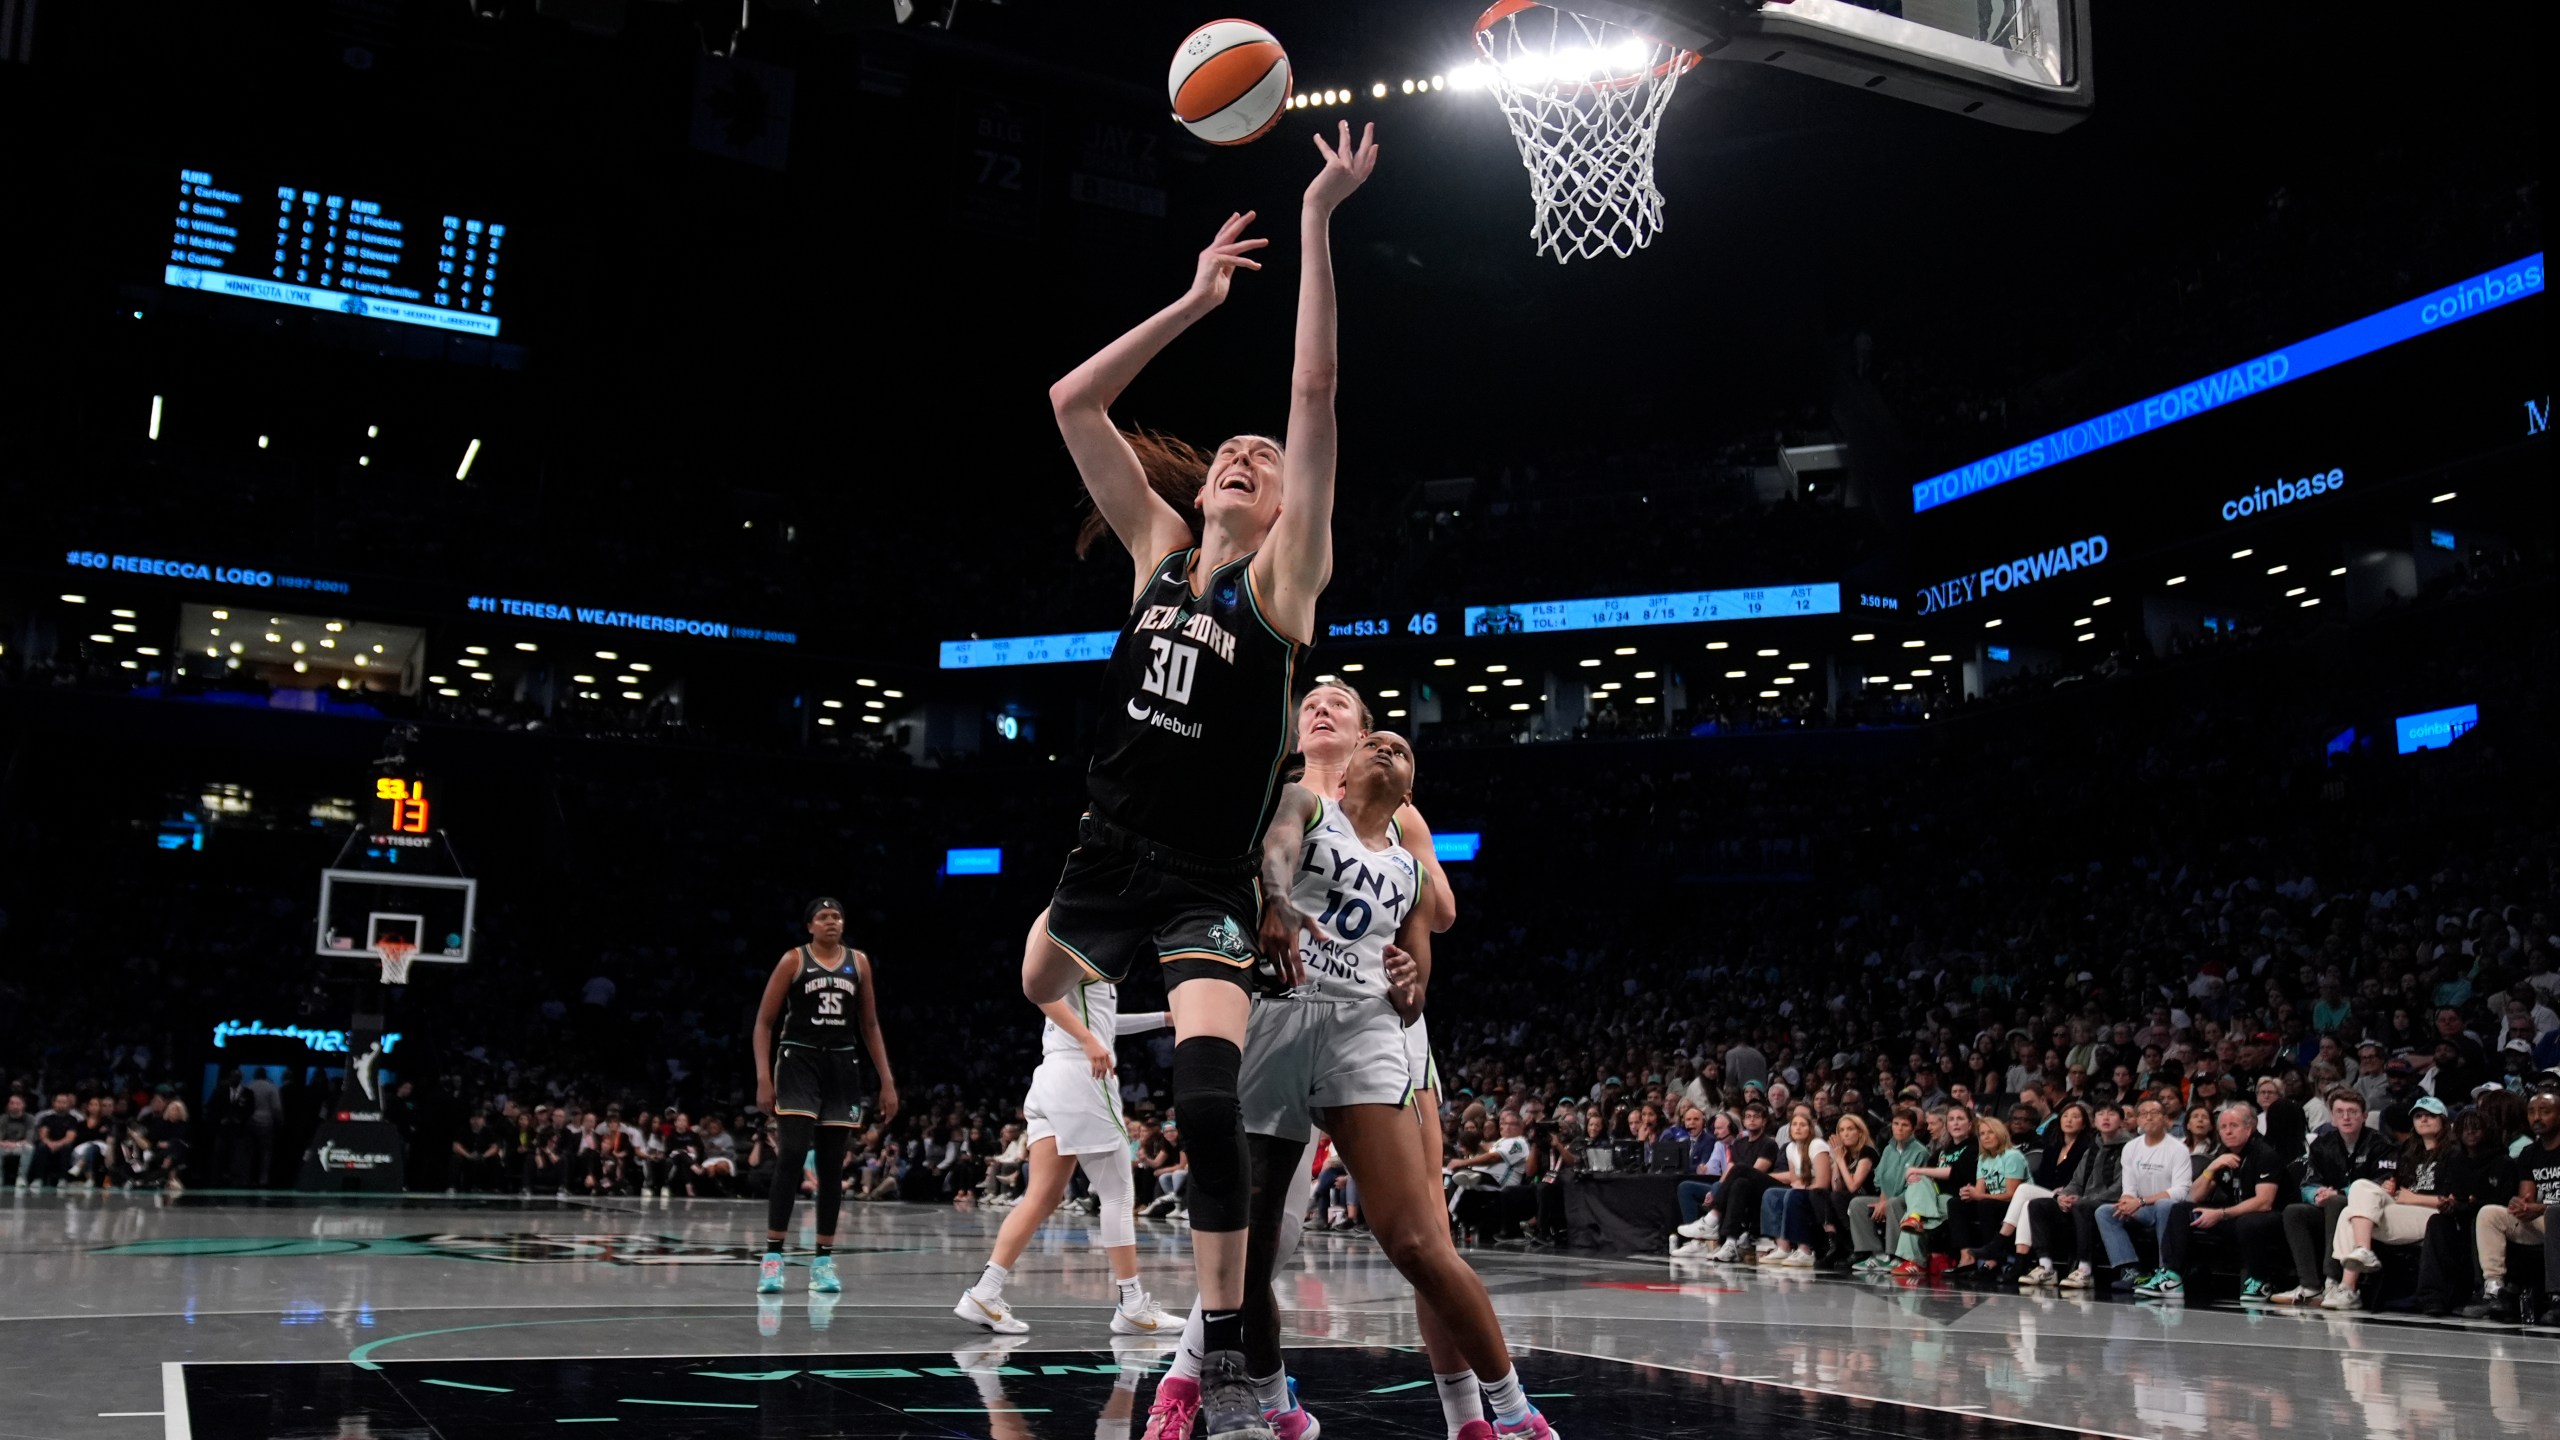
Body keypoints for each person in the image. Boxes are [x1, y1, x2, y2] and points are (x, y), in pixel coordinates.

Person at [1031, 119, 1379, 1440]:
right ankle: (1223, 1343)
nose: (1245, 449)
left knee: (1209, 1093)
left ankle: (1223, 1336)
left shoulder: (1285, 587)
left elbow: (1315, 396)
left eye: (1264, 456)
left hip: (1203, 883)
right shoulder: (1158, 550)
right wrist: (1192, 298)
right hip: (1106, 843)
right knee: (1034, 982)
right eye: (1229, 447)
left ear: (1292, 507)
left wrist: (1314, 224)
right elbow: (1074, 404)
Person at [1224, 741, 1557, 1440]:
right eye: (1377, 743)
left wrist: (1411, 984)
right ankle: (1272, 1397)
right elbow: (1276, 852)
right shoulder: (1310, 804)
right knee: (1250, 1252)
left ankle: (1516, 1414)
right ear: (1346, 775)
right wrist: (1279, 903)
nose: (1389, 747)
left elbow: (1415, 989)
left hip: (1363, 1030)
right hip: (1281, 1013)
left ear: (1409, 790)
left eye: (1401, 749)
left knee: (1416, 1238)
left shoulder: (1411, 870)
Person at [954, 972, 1181, 1339]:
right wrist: (1089, 1040)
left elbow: (1103, 1025)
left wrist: (1164, 1019)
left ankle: (983, 1292)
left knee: (1040, 1198)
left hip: (1051, 1079)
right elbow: (1041, 991)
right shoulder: (1081, 941)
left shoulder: (1094, 957)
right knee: (1118, 1195)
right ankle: (1132, 1305)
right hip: (1081, 1075)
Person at [752, 898, 901, 1296]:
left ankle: (823, 1261)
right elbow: (764, 1022)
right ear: (810, 926)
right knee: (792, 1156)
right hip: (798, 1059)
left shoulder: (859, 962)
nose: (832, 921)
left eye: (836, 916)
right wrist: (764, 1078)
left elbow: (869, 1023)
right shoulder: (793, 961)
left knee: (833, 1168)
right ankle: (773, 1258)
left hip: (842, 1064)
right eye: (823, 916)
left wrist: (886, 1080)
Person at [2322, 1095, 2453, 1310]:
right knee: (2358, 1192)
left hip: (2433, 1215)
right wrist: (2391, 1188)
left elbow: (2454, 1200)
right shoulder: (2409, 1151)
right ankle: (2353, 1274)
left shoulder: (2453, 1154)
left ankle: (2349, 1285)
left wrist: (2414, 1198)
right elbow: (2398, 1189)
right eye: (2419, 1115)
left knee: (2350, 1213)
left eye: (2430, 1116)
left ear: (2443, 1121)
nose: (2424, 1120)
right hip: (2403, 1210)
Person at [2272, 1087, 2393, 1305]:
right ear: (2332, 1117)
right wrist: (2316, 1195)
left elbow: (2382, 1185)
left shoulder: (2380, 1144)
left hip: (2366, 1215)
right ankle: (2309, 1285)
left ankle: (2334, 1281)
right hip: (2327, 1208)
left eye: (2352, 1111)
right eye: (2339, 1112)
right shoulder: (2322, 1144)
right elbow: (2308, 1184)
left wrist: (2337, 1193)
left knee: (2337, 1202)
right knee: (2294, 1211)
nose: (2346, 1117)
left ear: (2364, 1116)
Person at [2464, 1087, 2560, 1322]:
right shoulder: (2529, 1152)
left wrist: (2542, 1207)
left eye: (2544, 1111)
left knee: (2555, 1213)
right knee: (2489, 1214)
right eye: (2531, 1112)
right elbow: (2527, 1196)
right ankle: (2494, 1289)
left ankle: (2557, 1298)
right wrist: (2520, 1205)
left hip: (2555, 1217)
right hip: (2543, 1222)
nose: (2536, 1118)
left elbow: (2545, 1208)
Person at [2185, 1101, 2286, 1301]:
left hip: (2272, 1217)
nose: (2228, 1132)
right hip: (2234, 1213)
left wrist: (2221, 1214)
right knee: (2181, 1210)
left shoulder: (2265, 1154)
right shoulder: (2224, 1156)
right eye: (2223, 1127)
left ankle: (2260, 1281)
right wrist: (2211, 1168)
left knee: (2247, 1222)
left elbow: (2264, 1202)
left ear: (2248, 1129)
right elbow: (2193, 1197)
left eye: (2234, 1126)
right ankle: (2173, 1275)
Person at [2092, 1099, 2194, 1295]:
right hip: (2143, 1208)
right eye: (2143, 1113)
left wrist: (2140, 1202)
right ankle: (2131, 1270)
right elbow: (2129, 1187)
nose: (2148, 1117)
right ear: (2137, 1119)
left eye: (2154, 1113)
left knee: (2166, 1205)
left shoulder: (2178, 1149)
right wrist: (2126, 1202)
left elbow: (2180, 1191)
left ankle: (2166, 1272)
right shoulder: (2131, 1147)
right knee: (2105, 1212)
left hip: (2173, 1211)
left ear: (2165, 1119)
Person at [1994, 1100, 2090, 1282]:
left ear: (2084, 1124)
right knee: (2028, 1203)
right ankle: (2026, 1262)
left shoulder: (2087, 1149)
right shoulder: (2052, 1149)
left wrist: (2063, 1191)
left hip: (2072, 1199)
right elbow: (2043, 1181)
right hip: (2049, 1198)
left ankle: (2001, 1242)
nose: (2069, 1120)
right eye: (2066, 1116)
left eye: (2075, 1117)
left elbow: (2082, 1181)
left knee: (2023, 1189)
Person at [1850, 1108, 1931, 1272]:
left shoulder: (1920, 1152)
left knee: (1893, 1203)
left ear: (1913, 1128)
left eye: (1905, 1125)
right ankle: (1877, 1254)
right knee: (1857, 1203)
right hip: (1888, 1197)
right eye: (1896, 1124)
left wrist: (1885, 1203)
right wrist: (1881, 1200)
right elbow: (1881, 1179)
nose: (1899, 1128)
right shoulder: (1888, 1150)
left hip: (1909, 1200)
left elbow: (1916, 1187)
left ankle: (1896, 1256)